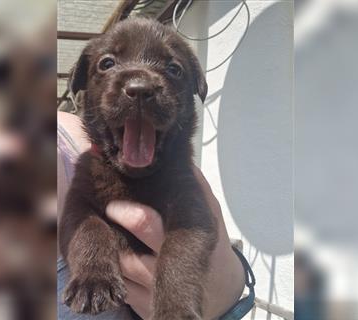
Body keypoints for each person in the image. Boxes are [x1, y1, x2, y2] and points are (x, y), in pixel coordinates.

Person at [57, 111, 245, 320]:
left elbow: (196, 223)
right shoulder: (88, 161)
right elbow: (79, 212)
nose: (138, 85)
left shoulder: (72, 140)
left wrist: (223, 292)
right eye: (103, 74)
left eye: (174, 74)